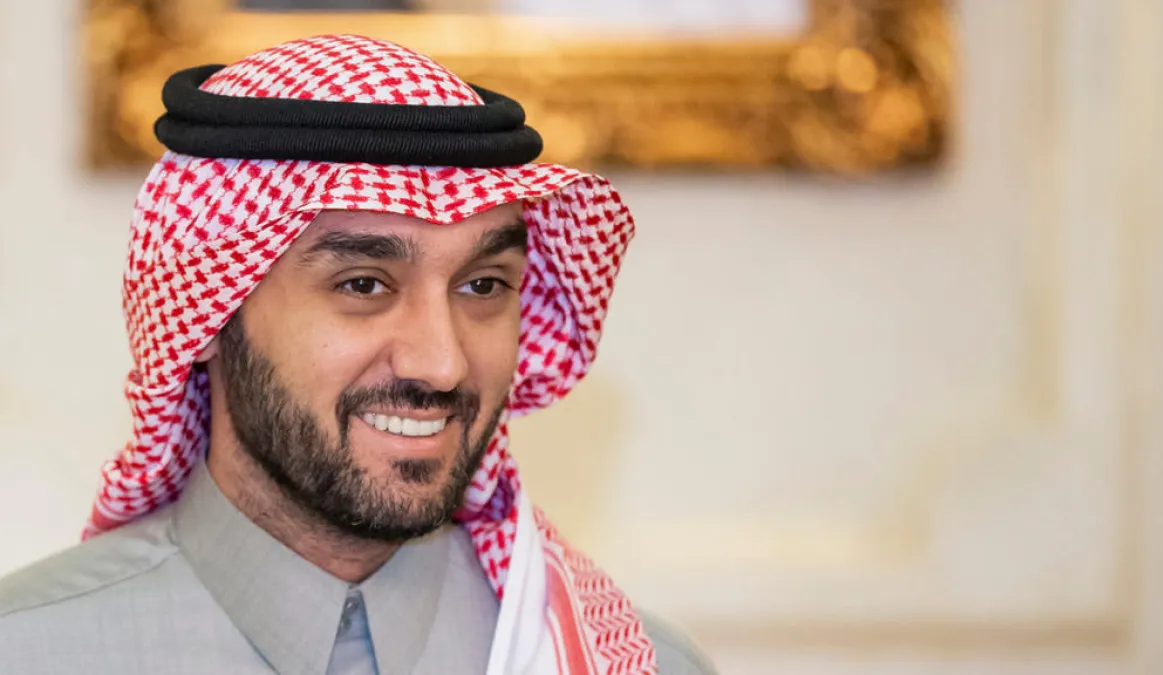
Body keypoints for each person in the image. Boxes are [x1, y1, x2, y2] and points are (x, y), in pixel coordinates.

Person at [0, 34, 717, 675]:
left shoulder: (614, 661)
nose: (441, 363)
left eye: (483, 285)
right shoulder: (29, 651)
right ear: (211, 309)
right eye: (364, 284)